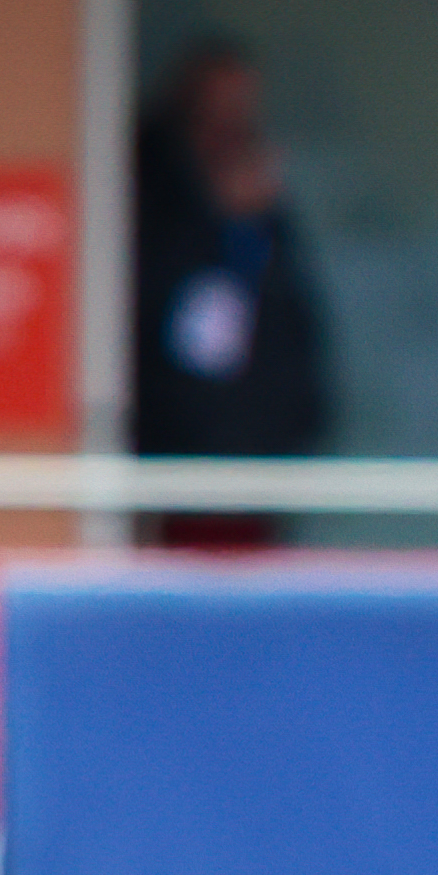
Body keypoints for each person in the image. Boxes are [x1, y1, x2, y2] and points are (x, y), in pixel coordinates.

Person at [133, 42, 330, 544]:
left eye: (243, 107)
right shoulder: (150, 194)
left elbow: (292, 329)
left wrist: (299, 428)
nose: (231, 124)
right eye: (217, 108)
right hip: (175, 466)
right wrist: (217, 218)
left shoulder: (268, 221)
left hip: (258, 465)